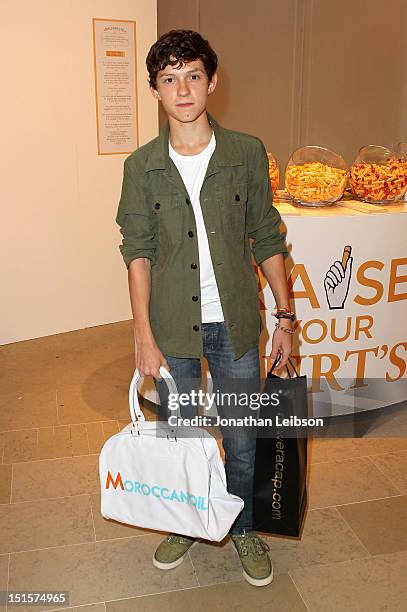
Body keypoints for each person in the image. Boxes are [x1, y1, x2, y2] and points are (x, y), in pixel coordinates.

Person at [115, 29, 294, 587]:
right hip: (171, 327)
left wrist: (286, 318)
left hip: (236, 320)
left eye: (193, 75)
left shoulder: (245, 152)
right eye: (169, 79)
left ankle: (241, 523)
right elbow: (137, 252)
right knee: (184, 431)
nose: (183, 88)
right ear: (155, 91)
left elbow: (267, 236)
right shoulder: (141, 166)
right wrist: (143, 334)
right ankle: (188, 520)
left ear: (212, 81)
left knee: (241, 433)